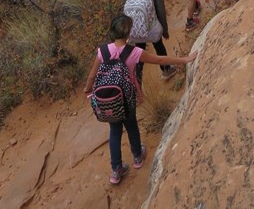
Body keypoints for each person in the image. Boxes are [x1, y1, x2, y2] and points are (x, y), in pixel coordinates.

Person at [83, 13, 197, 185]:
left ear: (112, 31)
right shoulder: (134, 52)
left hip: (109, 101)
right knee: (131, 125)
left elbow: (92, 76)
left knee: (114, 131)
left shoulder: (103, 51)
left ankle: (116, 170)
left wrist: (87, 89)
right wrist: (185, 59)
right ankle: (137, 156)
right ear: (129, 33)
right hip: (127, 98)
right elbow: (160, 59)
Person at [128, 0, 176, 83]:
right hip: (152, 27)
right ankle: (166, 70)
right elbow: (160, 10)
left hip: (137, 28)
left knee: (139, 53)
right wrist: (164, 29)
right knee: (159, 46)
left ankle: (137, 82)